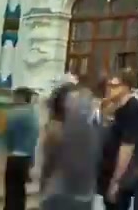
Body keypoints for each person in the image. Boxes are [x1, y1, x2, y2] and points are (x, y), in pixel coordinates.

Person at [40, 81, 99, 210]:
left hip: (64, 192)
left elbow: (48, 165)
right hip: (76, 194)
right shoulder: (86, 129)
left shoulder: (57, 129)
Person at [97, 73, 138, 210]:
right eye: (108, 85)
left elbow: (127, 148)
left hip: (123, 177)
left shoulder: (132, 109)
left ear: (126, 87)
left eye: (114, 86)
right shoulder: (117, 108)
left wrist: (116, 181)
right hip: (110, 172)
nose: (109, 89)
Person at [3, 87, 38, 210]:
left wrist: (9, 150)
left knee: (10, 191)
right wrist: (32, 160)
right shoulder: (33, 114)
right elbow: (34, 139)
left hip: (13, 156)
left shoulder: (12, 113)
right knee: (20, 191)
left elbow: (8, 135)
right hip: (26, 157)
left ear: (20, 97)